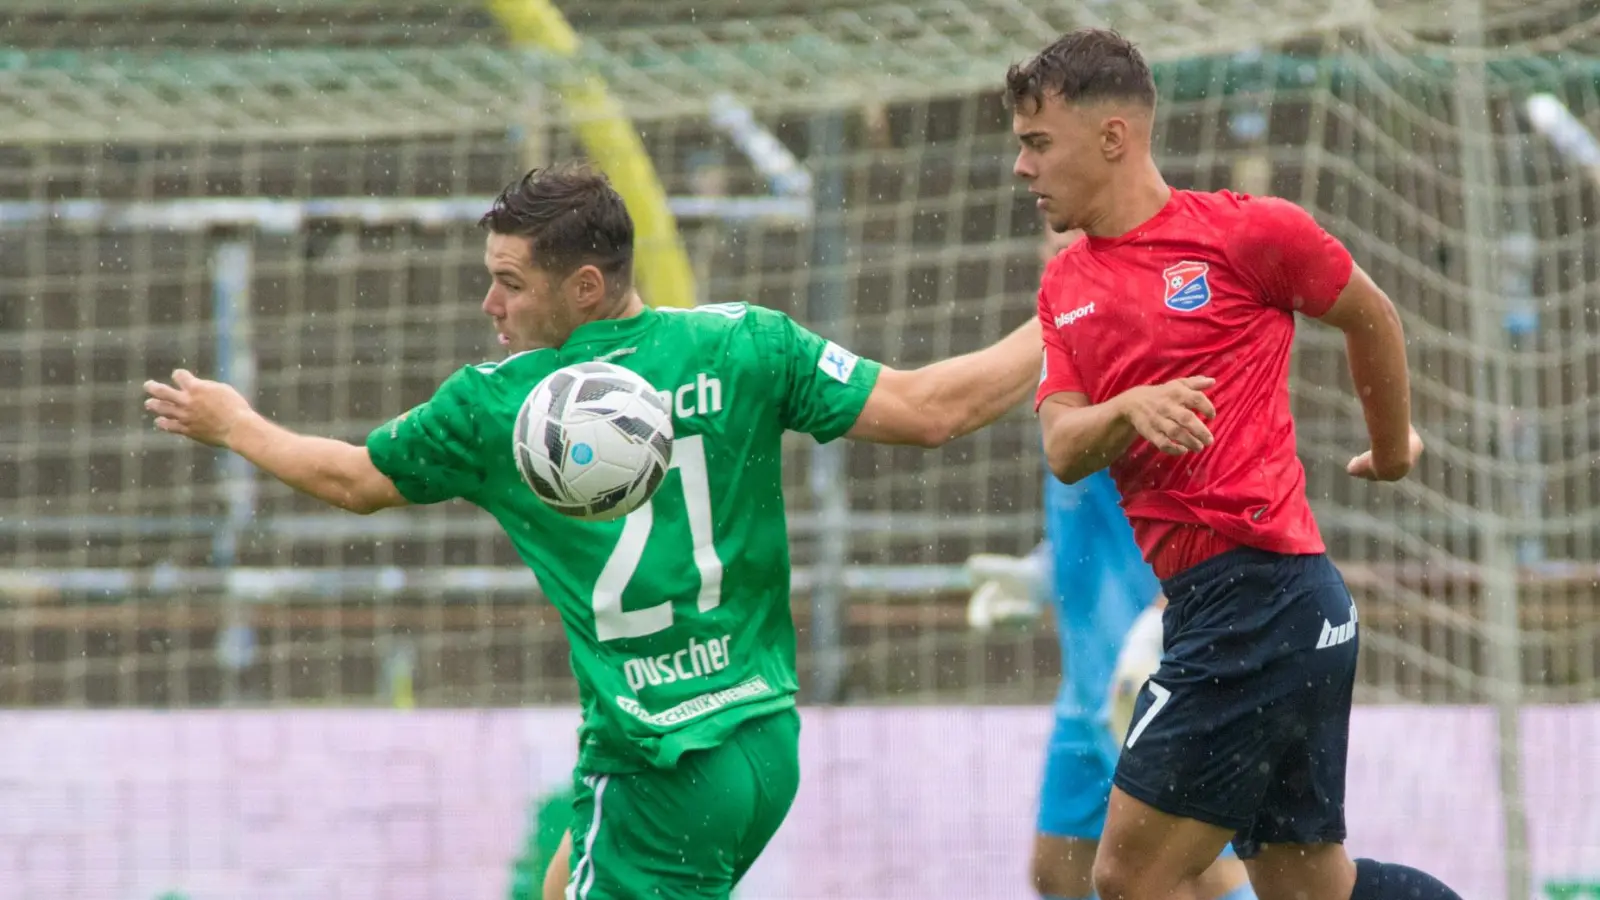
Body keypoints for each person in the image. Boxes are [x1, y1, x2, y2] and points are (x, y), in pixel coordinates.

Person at [143, 163, 1042, 900]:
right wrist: (1069, 313)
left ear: (583, 286)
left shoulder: (499, 406)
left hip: (657, 762)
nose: (489, 305)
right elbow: (933, 409)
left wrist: (237, 426)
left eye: (509, 284)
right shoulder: (746, 343)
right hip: (761, 739)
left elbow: (352, 480)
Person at [1011, 27, 1461, 900]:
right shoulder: (1065, 286)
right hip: (1246, 611)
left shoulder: (1248, 233)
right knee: (1308, 888)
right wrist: (1127, 409)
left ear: (1113, 136)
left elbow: (1371, 315)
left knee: (1128, 877)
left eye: (1038, 143)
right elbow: (1063, 447)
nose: (1022, 168)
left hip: (1260, 601)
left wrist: (1392, 448)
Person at [966, 225, 1254, 900]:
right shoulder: (1067, 356)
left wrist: (1168, 615)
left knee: (1183, 873)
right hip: (1088, 676)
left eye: (1068, 243)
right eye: (1046, 244)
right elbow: (1099, 509)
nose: (1052, 256)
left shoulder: (1139, 354)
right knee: (1060, 868)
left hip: (1148, 665)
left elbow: (1216, 498)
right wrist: (1040, 576)